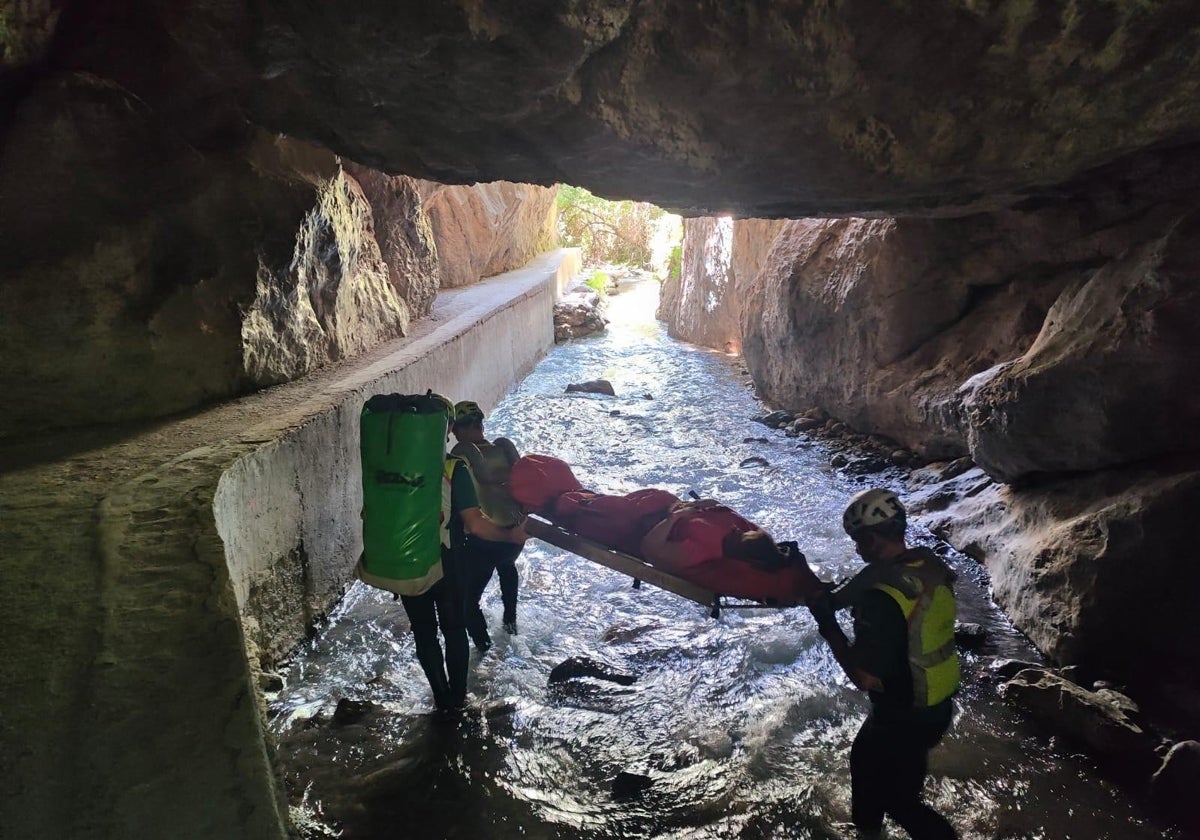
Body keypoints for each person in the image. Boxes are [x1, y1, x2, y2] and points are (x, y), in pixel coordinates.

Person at [808, 488, 960, 840]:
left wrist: (829, 628)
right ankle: (869, 832)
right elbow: (865, 592)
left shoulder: (881, 598)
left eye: (859, 541)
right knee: (867, 765)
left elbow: (863, 677)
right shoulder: (927, 566)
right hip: (936, 704)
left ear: (873, 538)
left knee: (898, 799)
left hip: (902, 713)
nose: (858, 548)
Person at [386, 395, 527, 713]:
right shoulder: (453, 467)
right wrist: (512, 534)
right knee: (454, 626)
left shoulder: (389, 471)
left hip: (407, 562)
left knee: (424, 632)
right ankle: (460, 698)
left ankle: (441, 700)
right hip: (447, 561)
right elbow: (476, 525)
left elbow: (373, 515)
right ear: (447, 429)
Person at [449, 400, 525, 649]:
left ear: (459, 429)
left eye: (454, 429)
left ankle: (483, 648)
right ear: (481, 424)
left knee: (467, 601)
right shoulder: (504, 449)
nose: (452, 434)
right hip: (514, 537)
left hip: (485, 540)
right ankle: (511, 623)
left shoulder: (461, 453)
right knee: (507, 566)